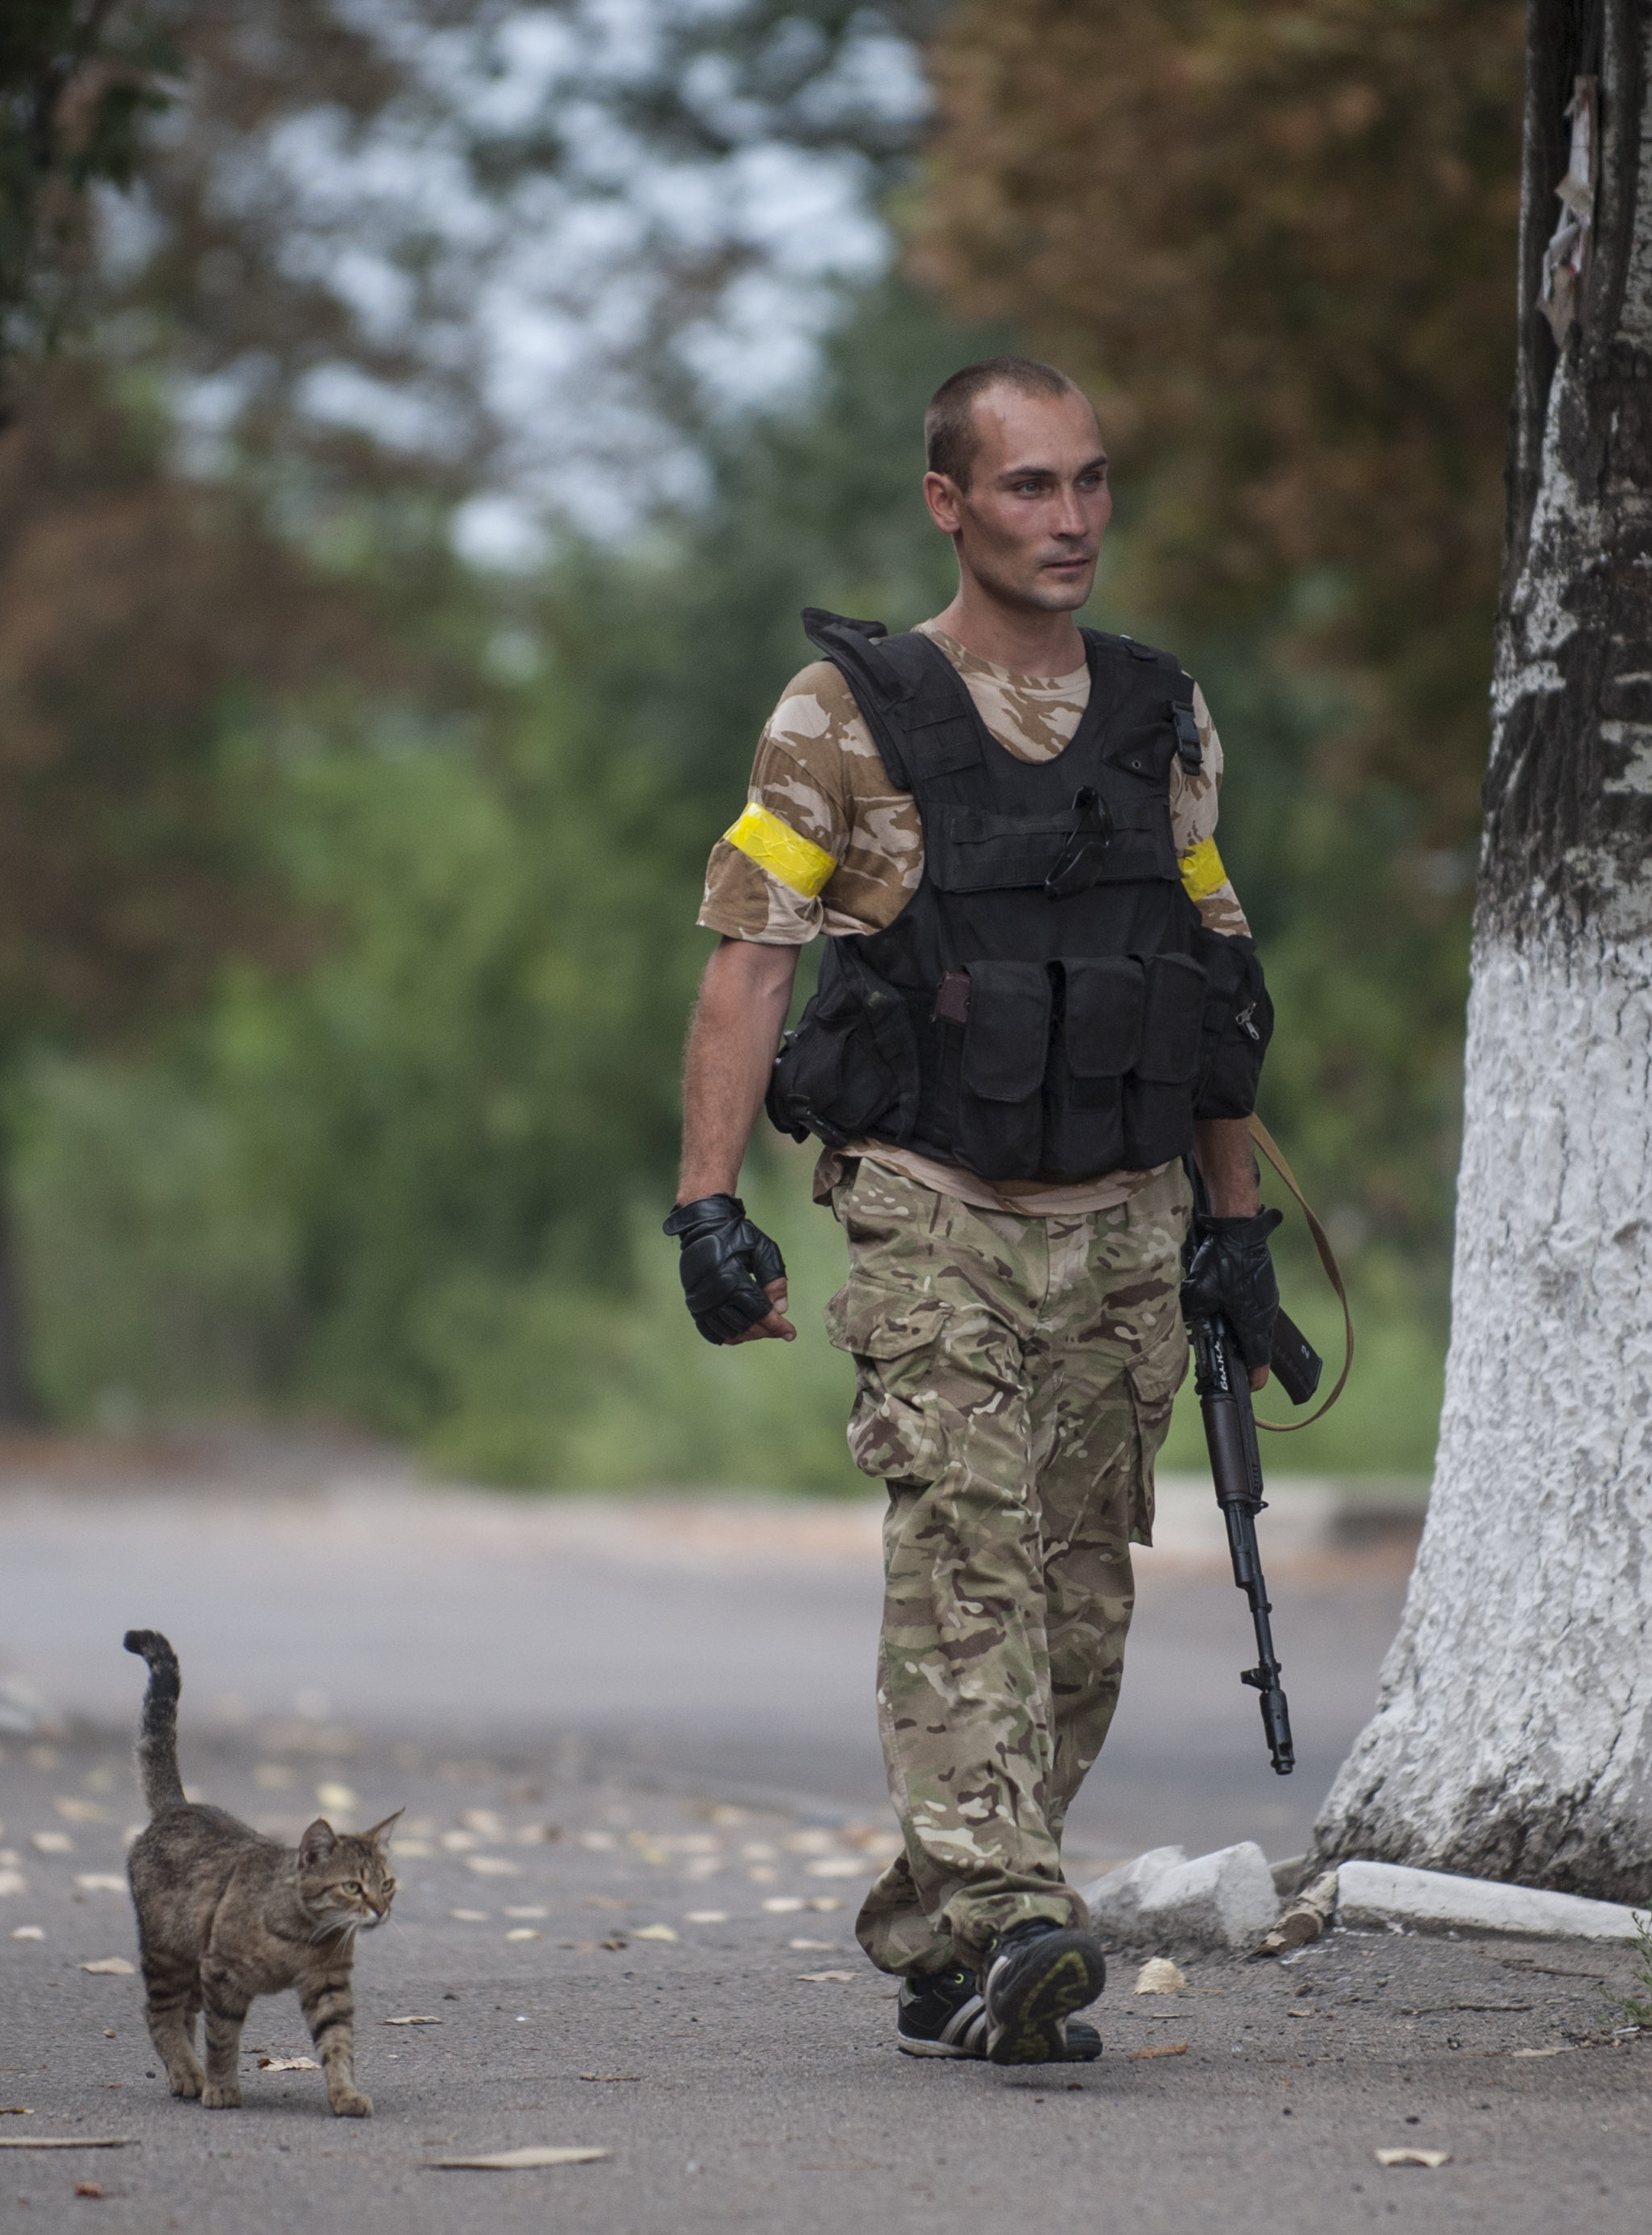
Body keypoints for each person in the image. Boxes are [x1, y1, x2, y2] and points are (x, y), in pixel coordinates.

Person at [662, 357, 1286, 2066]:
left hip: (1123, 1219)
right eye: (1027, 486)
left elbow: (1209, 982)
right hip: (933, 1203)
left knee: (1076, 1598)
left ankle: (940, 1932)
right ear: (947, 500)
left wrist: (1235, 1230)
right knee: (966, 1560)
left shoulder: (1160, 712)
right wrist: (704, 1203)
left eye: (1089, 480)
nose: (1071, 517)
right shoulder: (843, 712)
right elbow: (747, 964)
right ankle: (1018, 1908)